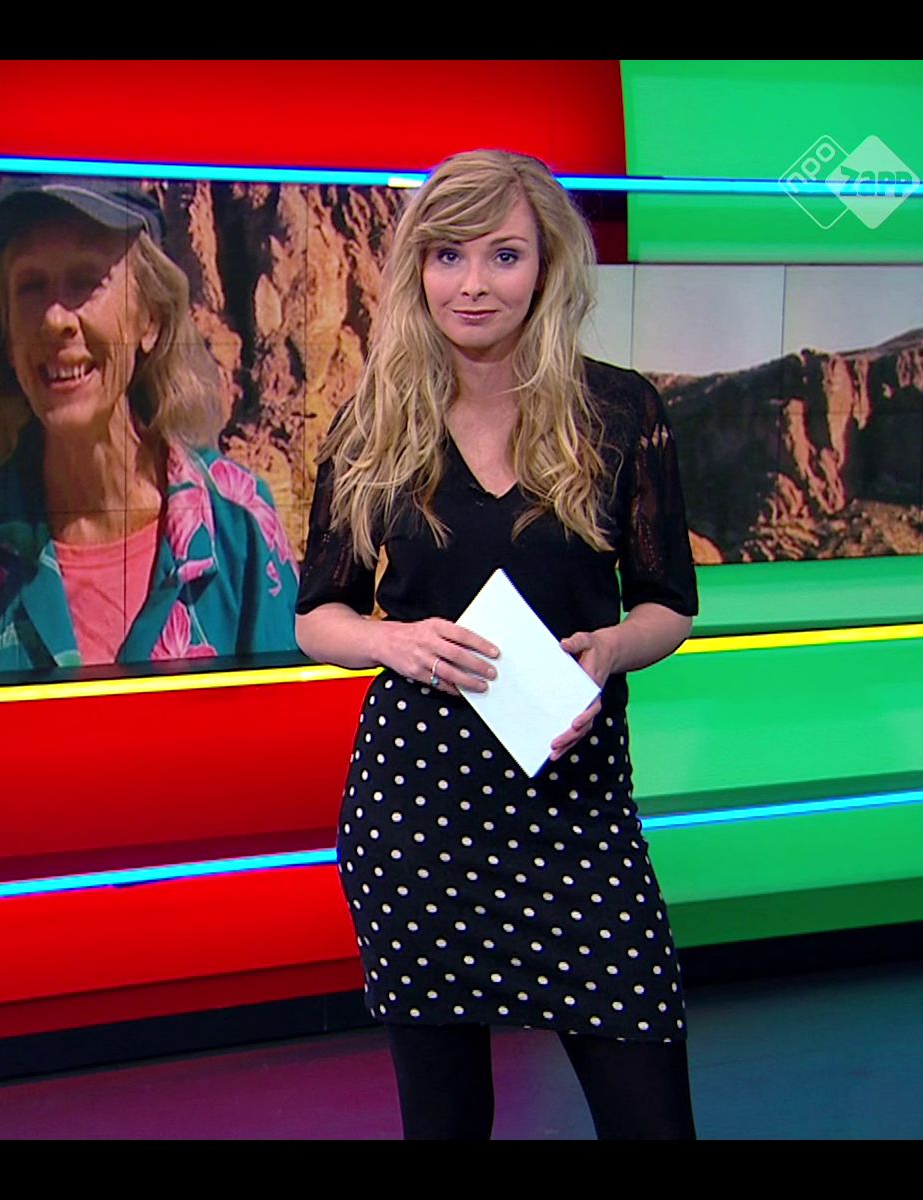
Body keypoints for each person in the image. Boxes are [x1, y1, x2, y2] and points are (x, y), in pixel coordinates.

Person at [294, 150, 701, 1139]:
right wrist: (394, 642)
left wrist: (610, 649)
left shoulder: (620, 412)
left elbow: (669, 604)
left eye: (504, 255)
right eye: (448, 255)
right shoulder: (373, 423)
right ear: (417, 269)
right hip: (417, 813)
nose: (473, 283)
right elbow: (317, 617)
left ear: (547, 265)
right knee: (447, 1122)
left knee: (649, 1110)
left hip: (576, 806)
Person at [0, 178, 299, 680]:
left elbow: (299, 724)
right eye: (31, 286)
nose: (56, 318)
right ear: (6, 336)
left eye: (85, 280)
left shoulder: (238, 525)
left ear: (149, 320)